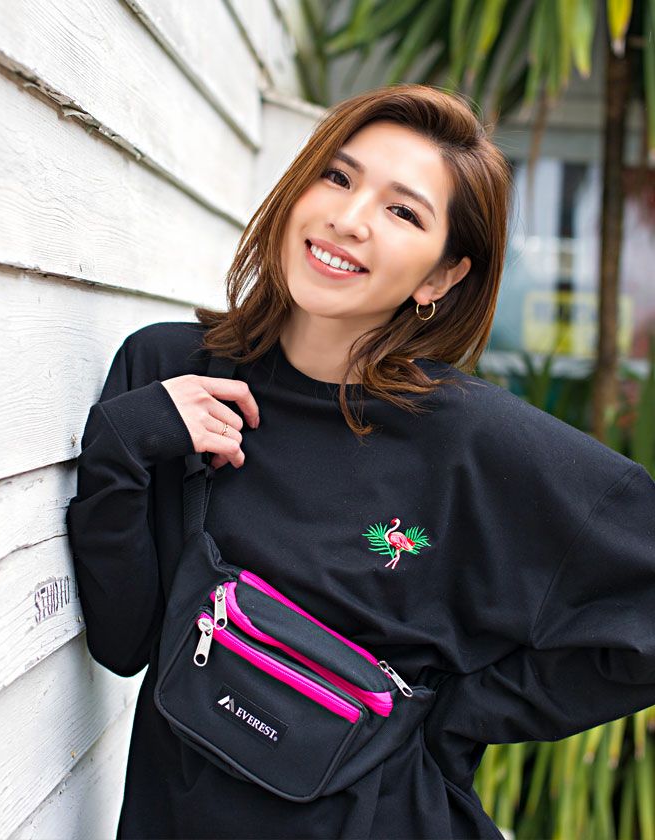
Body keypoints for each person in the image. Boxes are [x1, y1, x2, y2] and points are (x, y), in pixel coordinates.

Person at [65, 84, 655, 839]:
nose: (350, 219)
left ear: (441, 277)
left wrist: (452, 717)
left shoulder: (472, 440)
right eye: (338, 177)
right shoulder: (170, 374)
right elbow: (125, 641)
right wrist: (123, 442)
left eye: (403, 212)